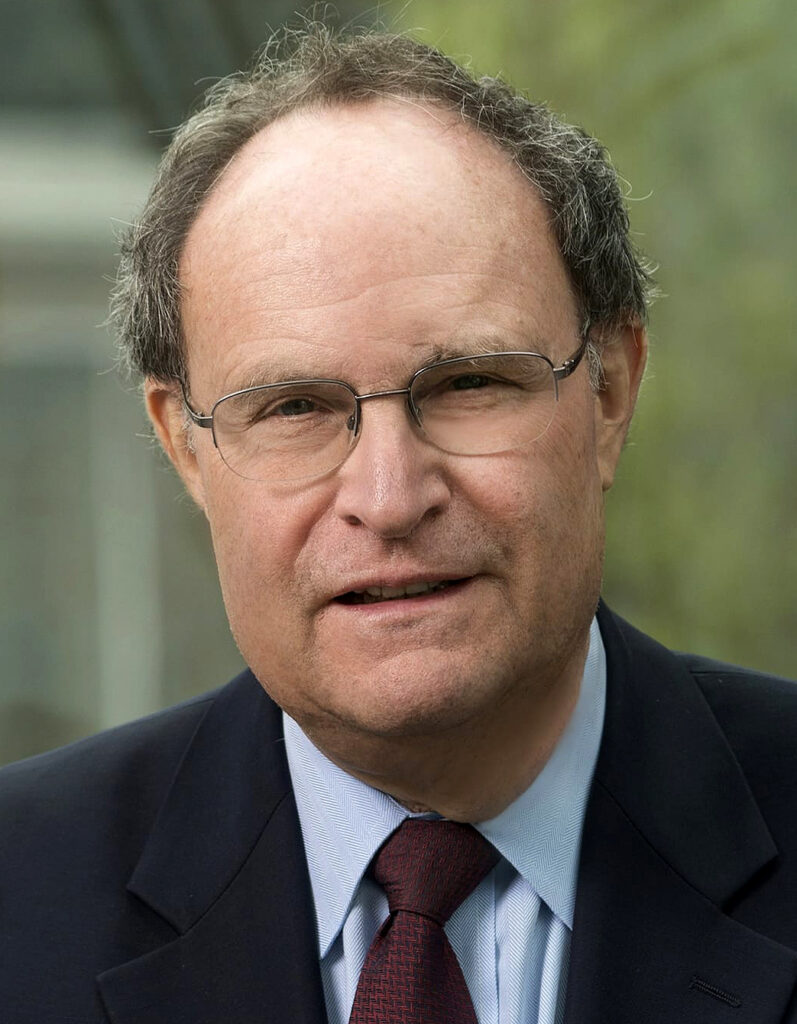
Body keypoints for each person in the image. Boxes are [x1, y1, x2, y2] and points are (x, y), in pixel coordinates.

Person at [2, 23, 796, 1024]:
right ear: (187, 449)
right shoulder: (19, 904)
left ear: (607, 394)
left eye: (468, 383)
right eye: (292, 407)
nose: (386, 496)